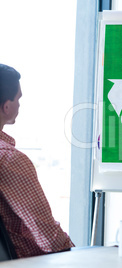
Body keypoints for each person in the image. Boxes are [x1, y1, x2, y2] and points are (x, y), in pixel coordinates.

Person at [0, 63, 74, 258]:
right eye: (18, 99)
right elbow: (50, 239)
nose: (20, 105)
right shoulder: (9, 159)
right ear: (6, 106)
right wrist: (79, 252)